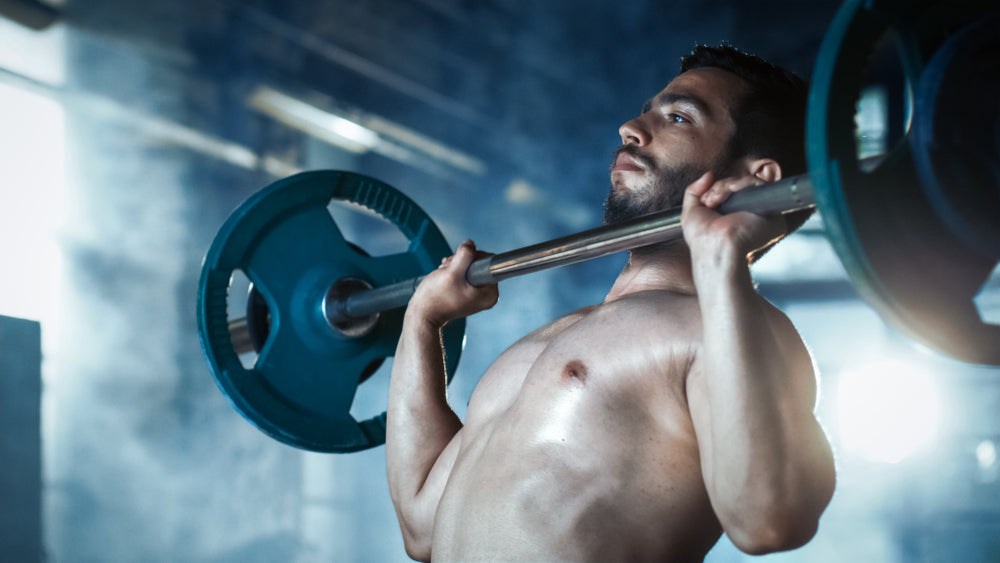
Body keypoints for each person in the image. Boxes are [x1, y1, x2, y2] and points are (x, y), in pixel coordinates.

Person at [385, 44, 836, 562]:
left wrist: (720, 260)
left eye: (678, 117)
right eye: (648, 111)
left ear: (758, 179)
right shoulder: (543, 344)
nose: (631, 127)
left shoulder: (730, 334)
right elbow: (422, 525)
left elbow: (767, 522)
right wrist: (422, 321)